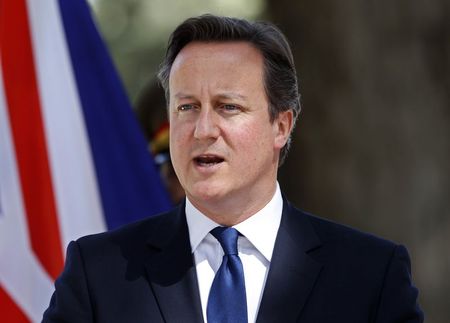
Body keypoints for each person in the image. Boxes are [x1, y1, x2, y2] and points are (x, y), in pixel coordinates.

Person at [42, 15, 424, 323]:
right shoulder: (98, 273)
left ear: (281, 125)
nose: (203, 130)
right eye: (187, 107)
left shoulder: (371, 275)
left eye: (228, 107)